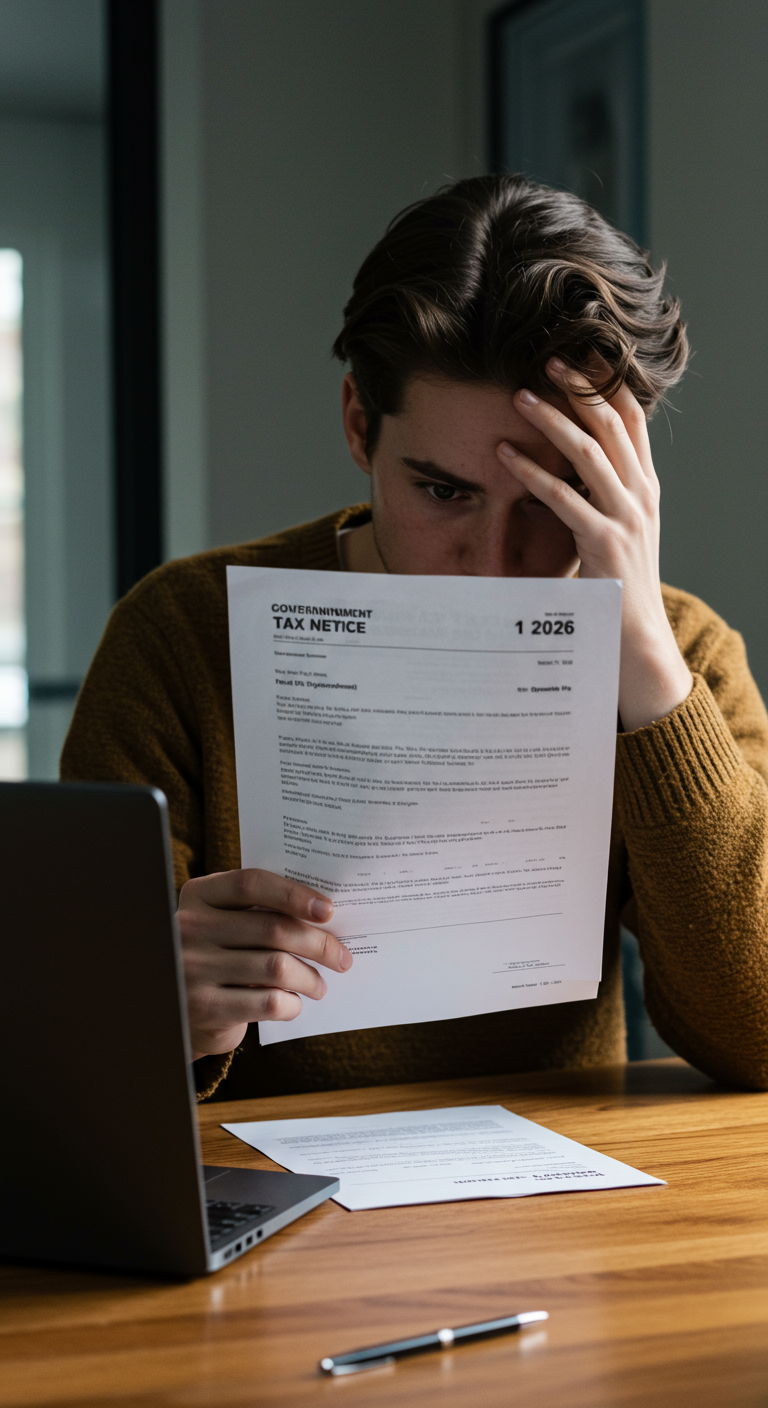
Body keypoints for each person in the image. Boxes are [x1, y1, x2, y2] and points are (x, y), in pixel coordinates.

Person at [61, 175, 768, 1099]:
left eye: (557, 501)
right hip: (264, 1207)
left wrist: (640, 660)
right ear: (360, 423)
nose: (490, 563)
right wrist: (159, 1009)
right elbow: (62, 1057)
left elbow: (757, 1036)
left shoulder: (684, 658)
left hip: (566, 1208)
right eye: (444, 492)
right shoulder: (181, 635)